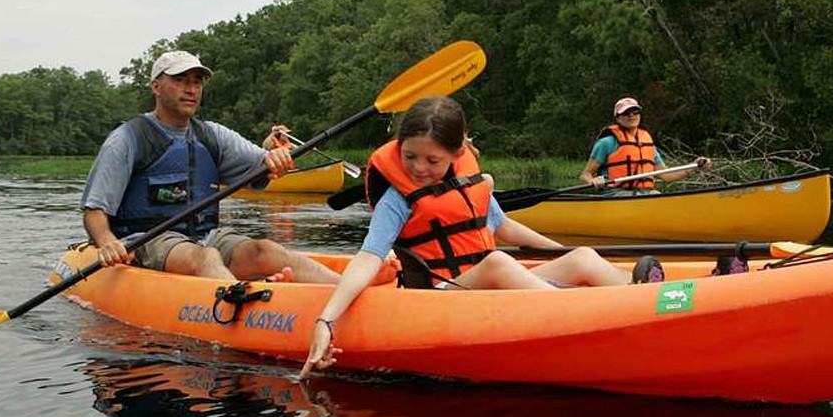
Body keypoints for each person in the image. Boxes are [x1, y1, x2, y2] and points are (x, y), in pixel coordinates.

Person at [297, 95, 663, 380]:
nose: (419, 168)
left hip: (485, 281)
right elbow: (369, 257)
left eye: (432, 160)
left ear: (457, 154)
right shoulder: (397, 199)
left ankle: (645, 302)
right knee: (499, 262)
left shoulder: (466, 181)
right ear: (398, 148)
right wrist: (325, 320)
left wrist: (559, 252)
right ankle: (597, 321)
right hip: (439, 295)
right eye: (410, 156)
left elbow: (504, 228)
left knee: (581, 256)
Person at [80, 50, 340, 285]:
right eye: (181, 80)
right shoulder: (128, 138)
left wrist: (274, 159)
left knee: (266, 250)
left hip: (206, 236)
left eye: (196, 82)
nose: (191, 89)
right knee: (205, 257)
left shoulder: (212, 135)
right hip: (147, 240)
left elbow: (262, 161)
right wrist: (107, 242)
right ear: (156, 86)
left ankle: (348, 291)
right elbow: (94, 208)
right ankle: (243, 304)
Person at [578, 97, 710, 194]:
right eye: (626, 113)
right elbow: (586, 174)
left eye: (635, 111)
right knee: (632, 197)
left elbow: (667, 175)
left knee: (656, 195)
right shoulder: (607, 143)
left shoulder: (647, 144)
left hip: (645, 193)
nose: (631, 115)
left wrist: (693, 167)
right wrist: (594, 181)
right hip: (616, 193)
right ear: (617, 118)